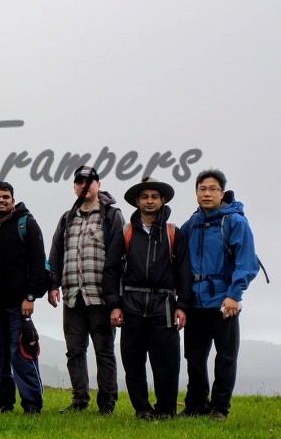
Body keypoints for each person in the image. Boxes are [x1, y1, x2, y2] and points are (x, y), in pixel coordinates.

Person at [102, 177, 192, 420]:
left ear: (162, 200)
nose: (149, 201)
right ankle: (141, 408)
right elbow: (111, 270)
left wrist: (182, 306)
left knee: (167, 362)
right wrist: (114, 305)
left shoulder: (174, 233)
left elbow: (184, 272)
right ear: (137, 202)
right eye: (144, 197)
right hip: (131, 303)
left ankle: (166, 409)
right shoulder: (126, 232)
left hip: (163, 304)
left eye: (154, 196)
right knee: (132, 360)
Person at [179, 168, 259, 420]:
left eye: (213, 189)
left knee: (225, 356)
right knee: (194, 357)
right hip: (195, 301)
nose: (207, 193)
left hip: (224, 301)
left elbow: (246, 262)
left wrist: (234, 294)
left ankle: (220, 407)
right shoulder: (191, 224)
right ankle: (196, 404)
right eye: (202, 189)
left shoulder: (234, 221)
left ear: (221, 193)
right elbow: (178, 259)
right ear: (196, 193)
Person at [48, 166, 123, 415]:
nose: (85, 185)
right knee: (74, 351)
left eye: (90, 181)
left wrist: (116, 300)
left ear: (98, 185)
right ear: (75, 187)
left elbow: (118, 256)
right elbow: (56, 253)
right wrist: (53, 285)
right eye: (80, 182)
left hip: (101, 297)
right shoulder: (66, 218)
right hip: (72, 296)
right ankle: (79, 400)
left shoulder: (111, 216)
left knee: (104, 351)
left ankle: (107, 404)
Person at [0, 181, 48, 414]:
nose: (1, 200)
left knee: (21, 352)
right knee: (2, 353)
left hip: (19, 304)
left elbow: (38, 263)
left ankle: (32, 404)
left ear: (13, 200)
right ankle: (4, 401)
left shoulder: (27, 224)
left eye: (5, 197)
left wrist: (30, 296)